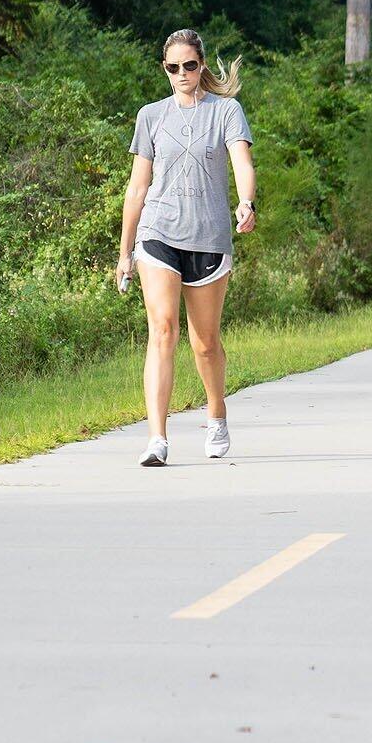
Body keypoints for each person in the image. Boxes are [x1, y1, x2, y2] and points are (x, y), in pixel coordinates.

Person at [117, 29, 256, 466]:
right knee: (162, 329)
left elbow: (242, 164)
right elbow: (138, 188)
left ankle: (216, 414)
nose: (182, 74)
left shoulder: (226, 111)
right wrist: (124, 252)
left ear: (202, 67)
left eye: (190, 66)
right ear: (165, 69)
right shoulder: (151, 116)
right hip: (157, 233)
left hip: (209, 236)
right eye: (173, 67)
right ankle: (157, 437)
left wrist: (247, 203)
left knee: (206, 342)